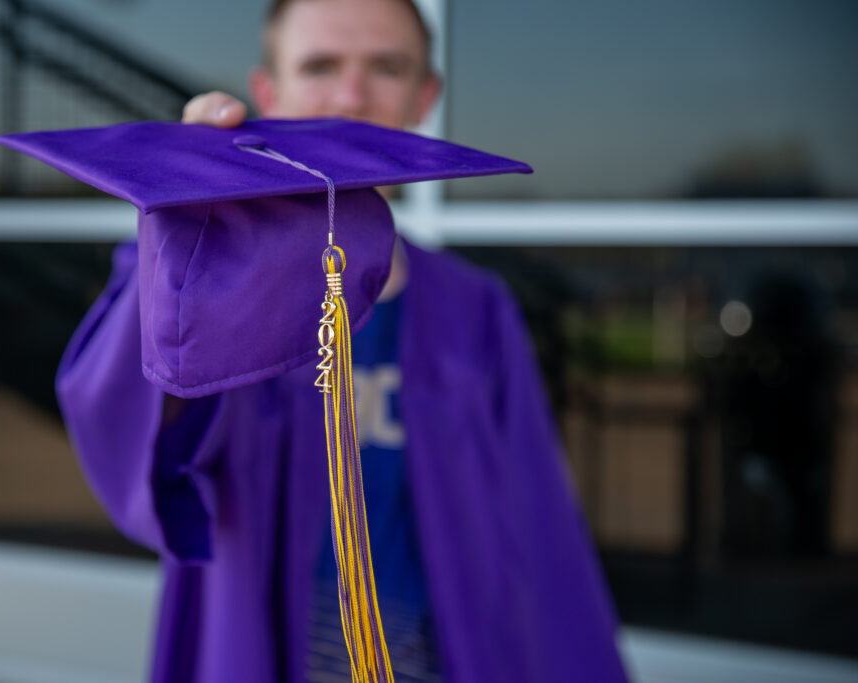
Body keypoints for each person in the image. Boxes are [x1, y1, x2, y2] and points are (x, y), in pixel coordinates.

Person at [56, 0, 629, 681]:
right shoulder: (204, 283)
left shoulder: (477, 310)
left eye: (387, 68)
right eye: (320, 66)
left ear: (425, 98)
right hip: (257, 652)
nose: (352, 97)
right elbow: (138, 437)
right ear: (269, 93)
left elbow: (538, 530)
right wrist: (190, 249)